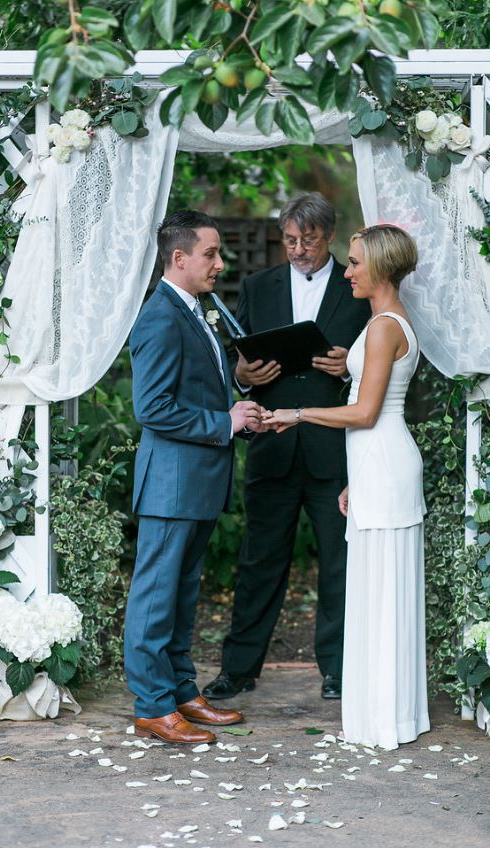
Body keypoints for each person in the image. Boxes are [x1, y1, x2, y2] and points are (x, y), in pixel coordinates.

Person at [265, 224, 430, 749]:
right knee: (378, 587)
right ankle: (391, 712)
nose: (348, 270)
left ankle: (385, 718)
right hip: (376, 465)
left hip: (384, 459)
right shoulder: (385, 321)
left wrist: (295, 413)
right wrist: (355, 480)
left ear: (379, 267)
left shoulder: (383, 326)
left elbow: (365, 412)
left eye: (355, 262)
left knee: (382, 589)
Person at [203, 193, 370, 703]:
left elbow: (377, 366)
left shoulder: (357, 288)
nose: (298, 249)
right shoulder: (258, 286)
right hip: (272, 446)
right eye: (291, 240)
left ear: (329, 235)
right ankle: (239, 668)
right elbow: (241, 364)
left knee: (341, 566)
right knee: (258, 563)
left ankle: (338, 670)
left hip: (335, 450)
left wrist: (350, 367)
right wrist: (242, 375)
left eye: (309, 240)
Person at [125, 210, 268, 744]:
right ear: (179, 258)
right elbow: (153, 407)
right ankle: (152, 706)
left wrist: (241, 414)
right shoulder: (160, 315)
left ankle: (182, 692)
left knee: (182, 598)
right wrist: (223, 422)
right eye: (210, 253)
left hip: (198, 482)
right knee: (155, 598)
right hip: (171, 484)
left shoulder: (197, 309)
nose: (219, 263)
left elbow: (197, 394)